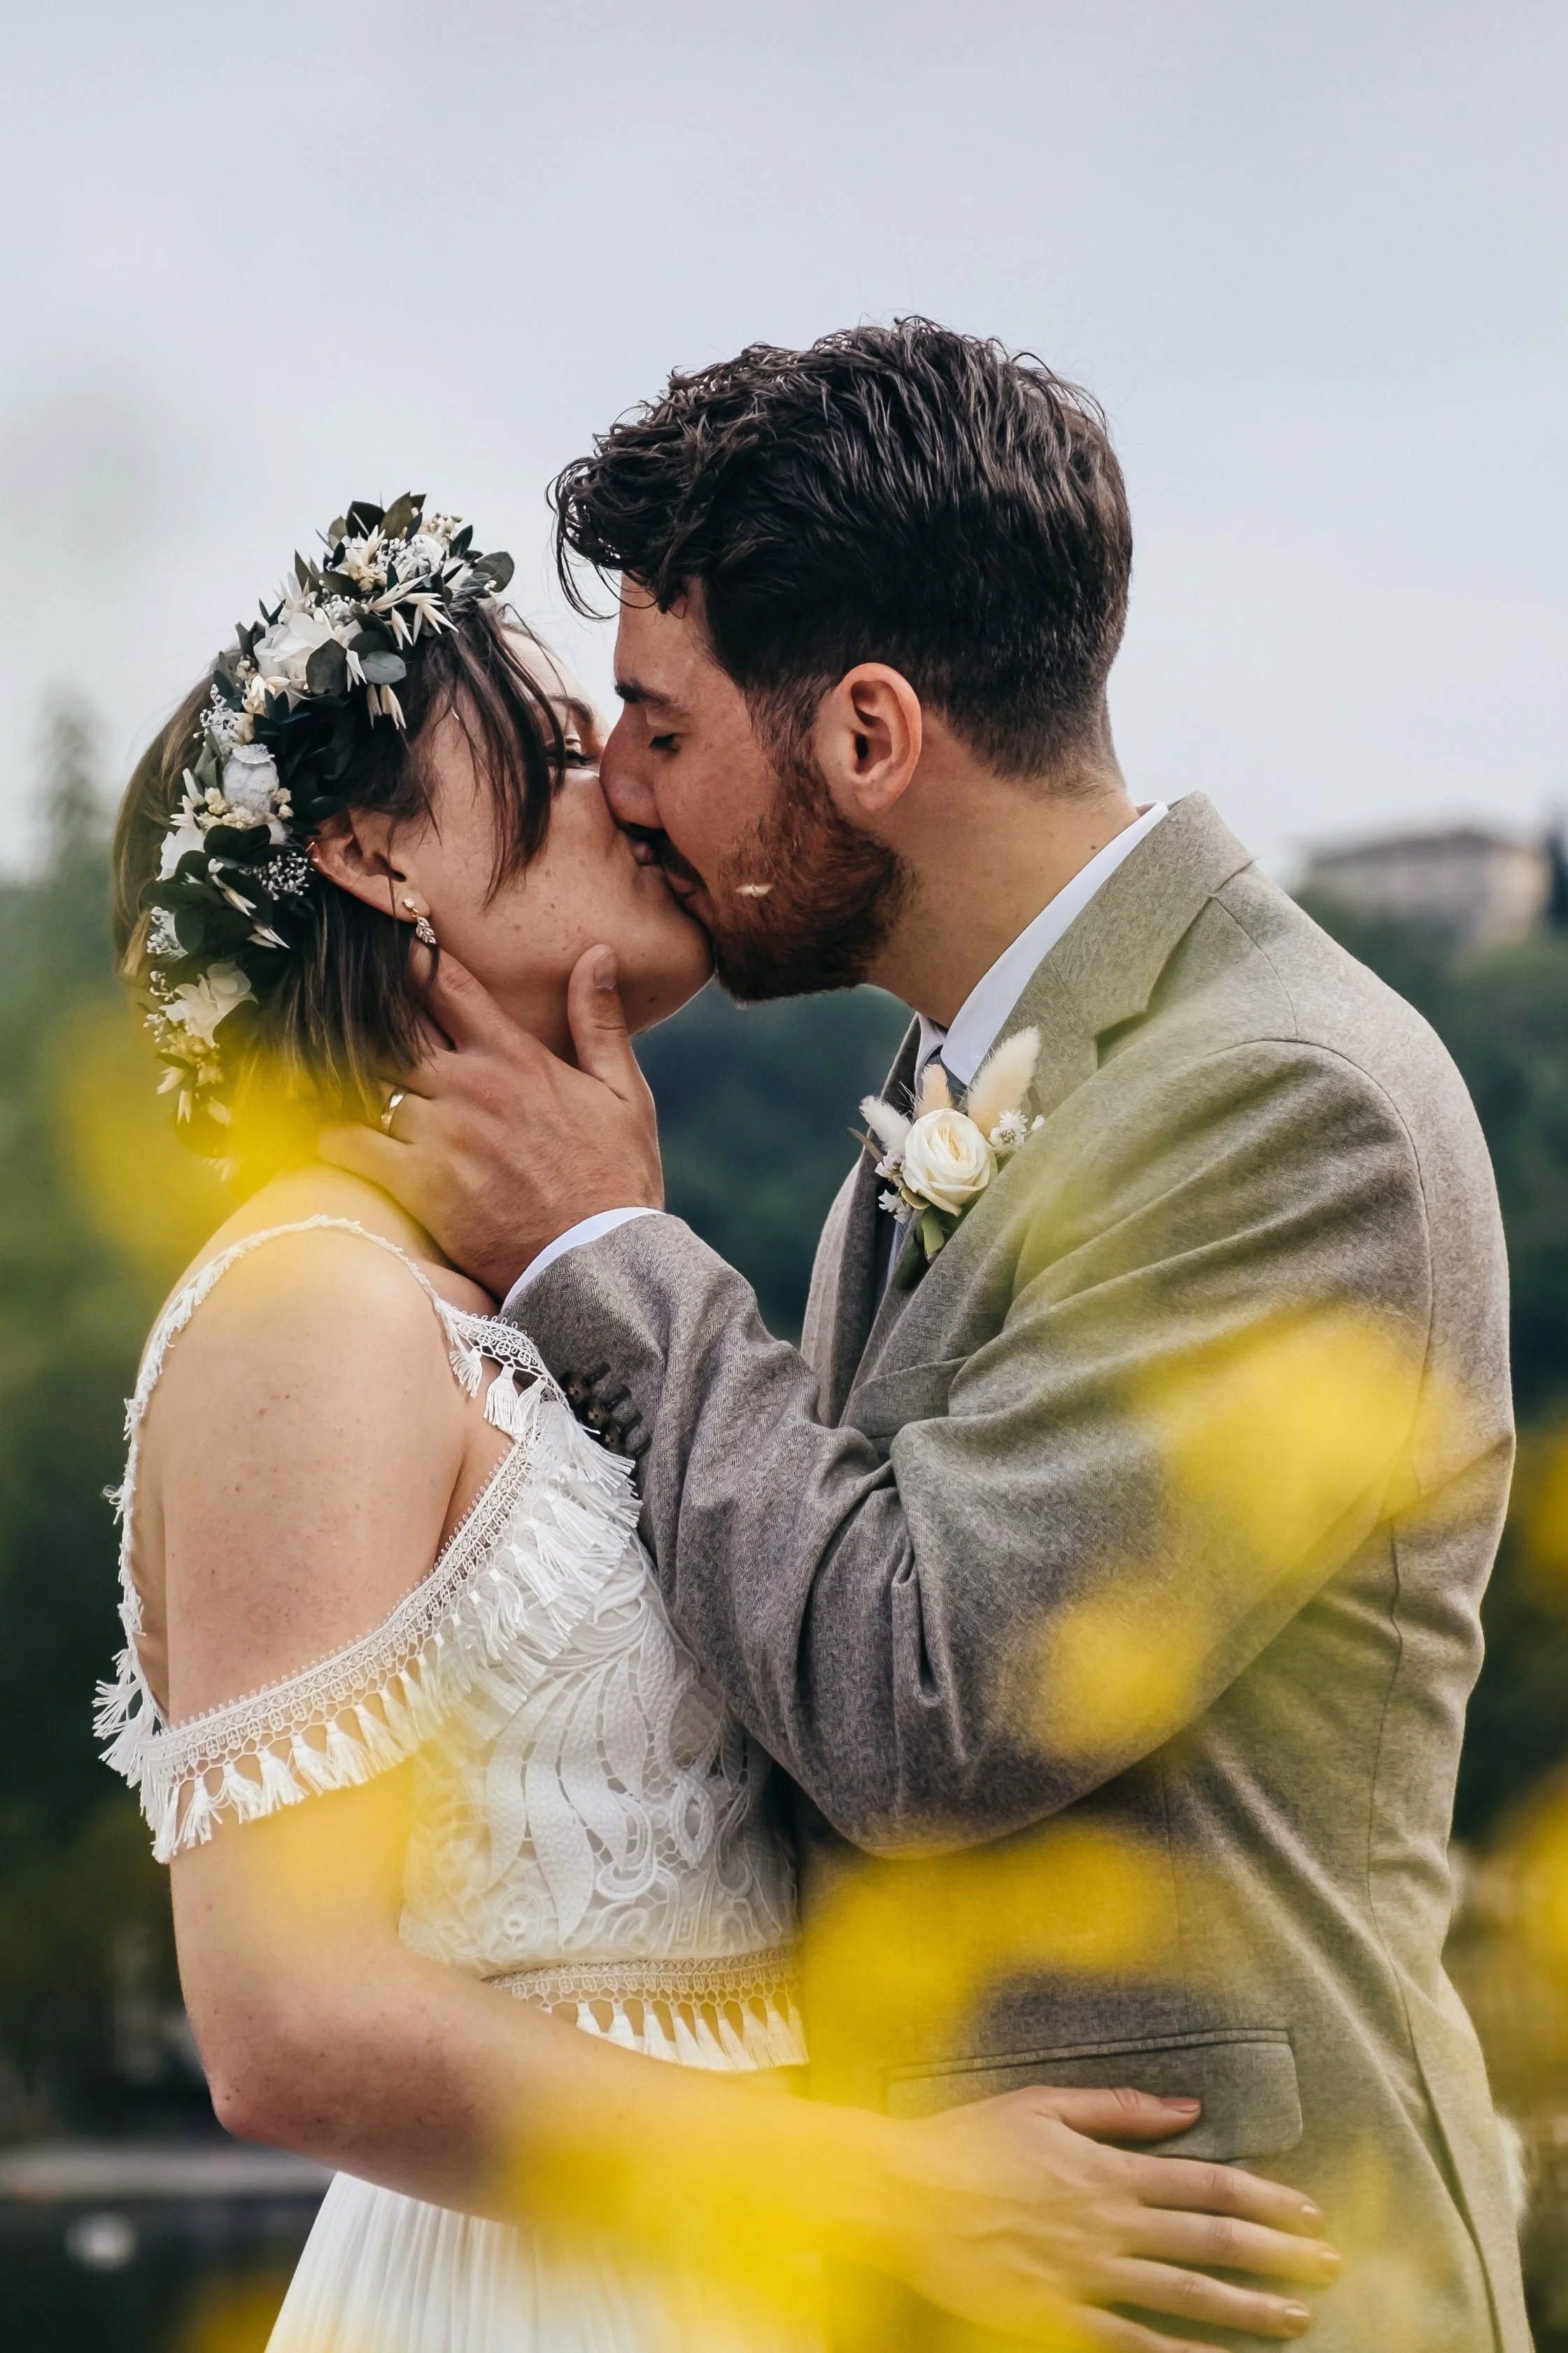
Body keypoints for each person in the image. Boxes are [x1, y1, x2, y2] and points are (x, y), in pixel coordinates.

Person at [325, 326, 1532, 2353]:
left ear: (868, 735)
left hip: (1236, 2285)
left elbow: (922, 1702)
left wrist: (616, 1248)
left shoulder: (1284, 1101)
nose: (616, 788)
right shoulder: (958, 1080)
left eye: (656, 724)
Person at [99, 495, 1334, 2353]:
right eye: (553, 748)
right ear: (370, 853)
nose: (627, 788)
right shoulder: (313, 1311)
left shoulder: (496, 1306)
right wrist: (906, 2187)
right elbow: (292, 2030)